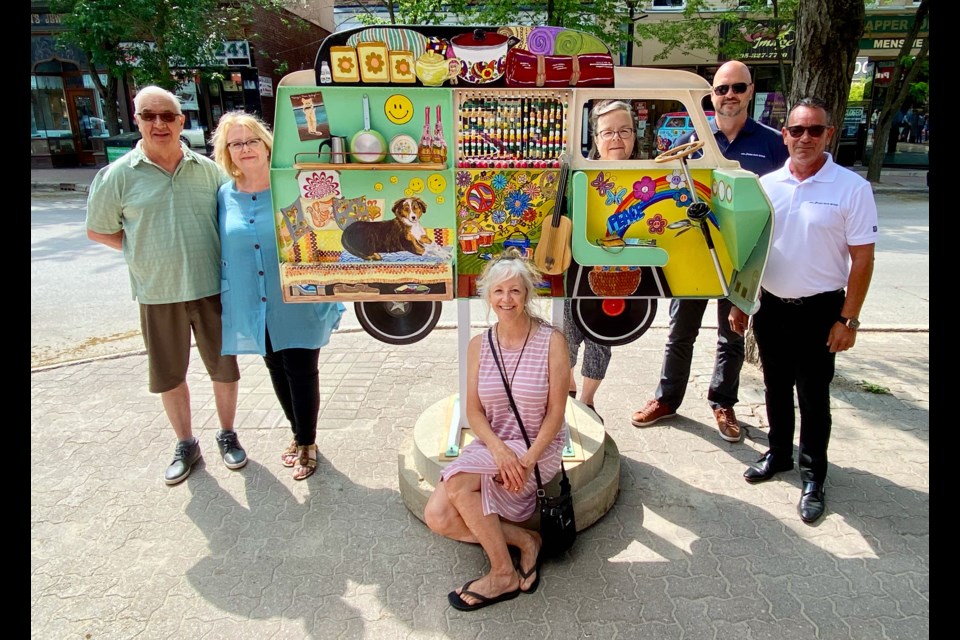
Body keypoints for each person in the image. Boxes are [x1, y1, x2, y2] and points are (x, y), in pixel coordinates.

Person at [86, 86, 244, 486]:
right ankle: (186, 443)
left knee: (224, 368)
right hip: (157, 293)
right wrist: (139, 250)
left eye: (167, 116)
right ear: (136, 120)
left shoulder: (209, 171)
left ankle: (227, 433)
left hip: (211, 288)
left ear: (181, 121)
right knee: (169, 375)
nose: (159, 123)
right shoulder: (118, 176)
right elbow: (99, 230)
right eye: (149, 116)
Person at [730, 97, 878, 524]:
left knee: (813, 397)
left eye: (815, 130)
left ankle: (814, 477)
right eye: (797, 130)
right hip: (772, 307)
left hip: (821, 311)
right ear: (785, 135)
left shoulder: (852, 188)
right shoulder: (768, 184)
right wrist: (741, 303)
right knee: (775, 387)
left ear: (829, 134)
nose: (805, 138)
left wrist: (847, 319)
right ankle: (778, 455)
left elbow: (863, 260)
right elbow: (752, 248)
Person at [631, 60, 789, 442]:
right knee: (679, 332)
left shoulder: (771, 144)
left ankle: (723, 402)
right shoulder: (694, 141)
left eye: (737, 88)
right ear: (712, 95)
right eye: (721, 89)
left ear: (750, 91)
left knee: (731, 334)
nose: (729, 96)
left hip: (740, 257)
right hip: (696, 253)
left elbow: (780, 207)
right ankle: (667, 400)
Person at [423, 247, 569, 611]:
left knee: (456, 484)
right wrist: (501, 451)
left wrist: (527, 460)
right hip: (494, 443)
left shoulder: (552, 342)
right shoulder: (479, 345)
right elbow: (473, 410)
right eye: (498, 291)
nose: (507, 299)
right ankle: (524, 540)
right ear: (487, 296)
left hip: (538, 445)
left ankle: (502, 572)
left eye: (515, 291)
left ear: (527, 295)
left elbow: (556, 414)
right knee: (437, 516)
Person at [211, 111, 345, 481]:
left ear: (267, 144)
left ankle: (307, 442)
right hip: (255, 302)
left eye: (252, 140)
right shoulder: (225, 195)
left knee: (301, 370)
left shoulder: (291, 184)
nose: (245, 148)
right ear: (227, 152)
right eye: (236, 143)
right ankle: (296, 432)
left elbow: (327, 227)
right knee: (274, 366)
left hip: (297, 298)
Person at [565, 99, 641, 422]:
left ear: (635, 135)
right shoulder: (580, 170)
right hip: (577, 268)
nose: (616, 139)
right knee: (566, 331)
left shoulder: (649, 174)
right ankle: (566, 393)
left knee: (603, 337)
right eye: (607, 132)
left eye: (624, 131)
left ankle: (587, 400)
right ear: (595, 139)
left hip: (622, 273)